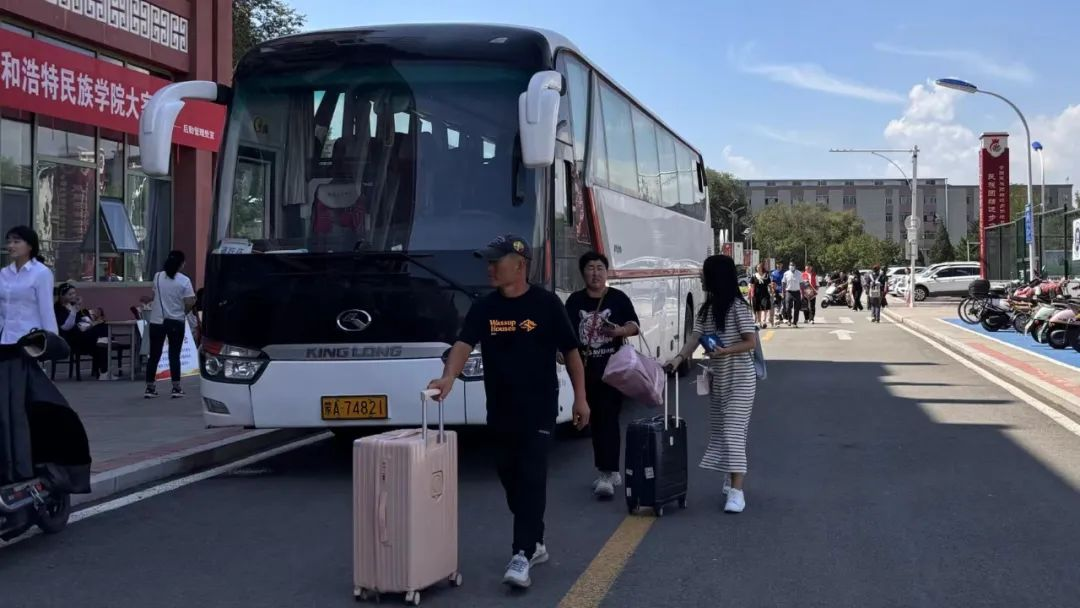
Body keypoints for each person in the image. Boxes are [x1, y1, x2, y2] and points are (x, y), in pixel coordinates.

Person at [427, 234, 589, 590]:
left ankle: (521, 553)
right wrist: (449, 377)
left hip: (539, 409)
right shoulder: (485, 308)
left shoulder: (546, 304)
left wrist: (581, 399)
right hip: (500, 409)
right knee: (511, 478)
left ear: (519, 265)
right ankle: (536, 541)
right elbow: (463, 344)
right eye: (487, 262)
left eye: (495, 262)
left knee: (531, 477)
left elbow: (571, 353)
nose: (489, 269)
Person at [664, 254, 757, 513]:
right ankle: (729, 476)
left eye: (704, 273)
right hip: (719, 379)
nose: (700, 277)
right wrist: (678, 359)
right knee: (723, 432)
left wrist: (725, 351)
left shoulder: (738, 308)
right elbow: (695, 338)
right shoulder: (706, 310)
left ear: (716, 277)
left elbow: (750, 342)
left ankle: (737, 492)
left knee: (733, 432)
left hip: (741, 379)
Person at [564, 251, 640, 499]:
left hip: (613, 371)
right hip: (585, 372)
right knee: (597, 421)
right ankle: (610, 469)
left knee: (607, 418)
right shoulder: (574, 301)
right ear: (583, 273)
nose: (595, 273)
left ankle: (606, 473)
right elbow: (565, 334)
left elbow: (634, 326)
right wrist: (560, 352)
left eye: (600, 268)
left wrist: (619, 331)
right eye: (590, 268)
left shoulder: (617, 298)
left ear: (606, 272)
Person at [144, 250, 195, 399]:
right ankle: (176, 387)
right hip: (176, 321)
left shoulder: (158, 276)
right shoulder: (184, 281)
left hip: (157, 321)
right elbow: (190, 301)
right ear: (181, 264)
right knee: (174, 354)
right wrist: (183, 312)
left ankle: (150, 387)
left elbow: (154, 295)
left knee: (154, 355)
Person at [749, 263, 772, 328]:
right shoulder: (754, 276)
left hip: (765, 294)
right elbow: (751, 285)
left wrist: (771, 292)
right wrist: (750, 293)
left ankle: (764, 321)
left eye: (759, 267)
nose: (758, 268)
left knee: (765, 306)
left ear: (762, 268)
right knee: (758, 308)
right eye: (757, 267)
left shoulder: (766, 275)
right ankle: (759, 322)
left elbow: (769, 284)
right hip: (756, 294)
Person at [782, 261, 802, 328]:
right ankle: (789, 319)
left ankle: (795, 322)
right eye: (790, 265)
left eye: (793, 265)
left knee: (797, 308)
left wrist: (802, 292)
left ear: (795, 266)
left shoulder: (799, 273)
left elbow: (801, 283)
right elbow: (783, 283)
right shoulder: (786, 273)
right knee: (787, 307)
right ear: (789, 266)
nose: (791, 266)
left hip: (797, 292)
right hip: (789, 292)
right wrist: (783, 292)